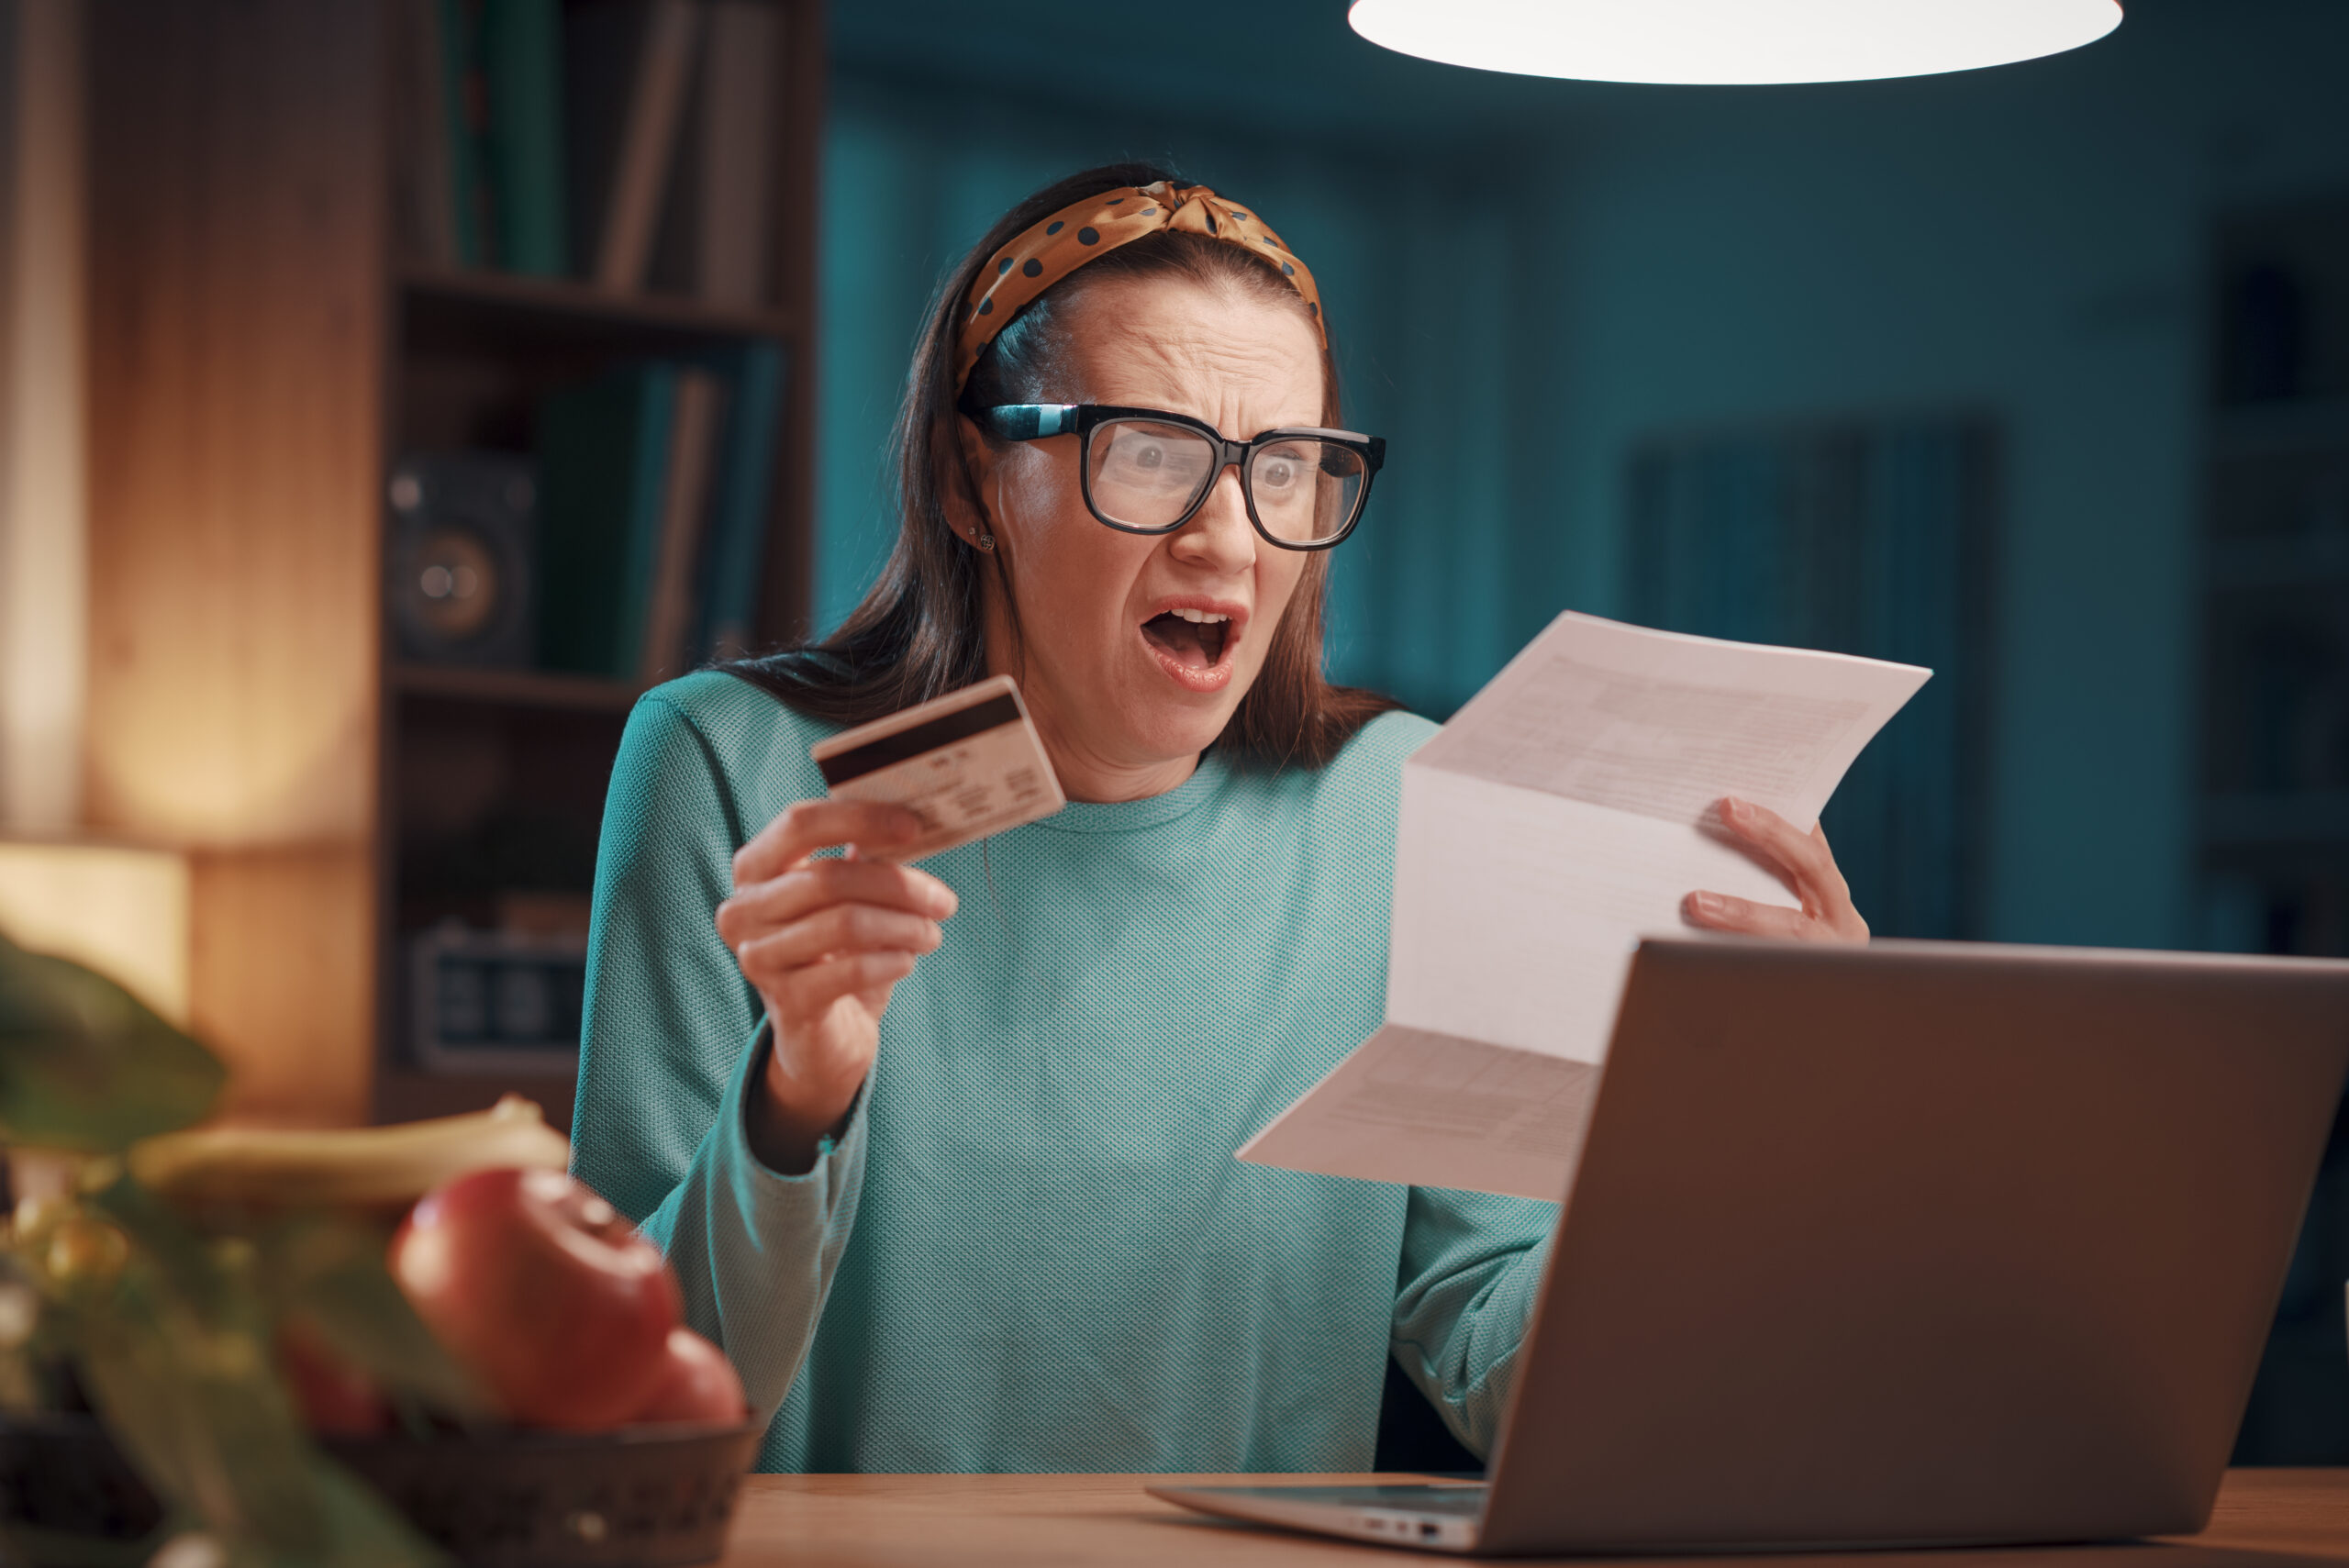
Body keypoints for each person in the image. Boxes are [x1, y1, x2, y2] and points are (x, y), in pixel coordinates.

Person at [571, 163, 1870, 1474]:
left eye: (1289, 468)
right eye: (1148, 453)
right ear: (973, 481)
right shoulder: (732, 767)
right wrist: (799, 1094)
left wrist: (1741, 1129)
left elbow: (1514, 1376)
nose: (1229, 539)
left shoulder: (1402, 806)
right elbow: (627, 1408)